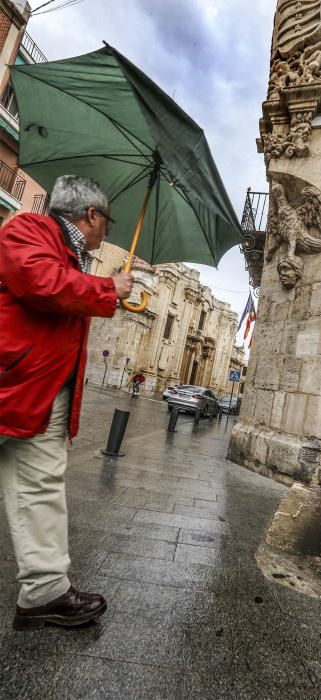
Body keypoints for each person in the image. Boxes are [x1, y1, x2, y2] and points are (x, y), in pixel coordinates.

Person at [0, 175, 134, 631]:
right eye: (107, 221)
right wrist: (106, 288)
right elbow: (40, 282)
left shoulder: (72, 255)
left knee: (39, 486)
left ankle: (44, 591)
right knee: (38, 487)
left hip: (38, 393)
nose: (107, 231)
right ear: (91, 215)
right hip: (15, 385)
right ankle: (43, 591)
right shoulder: (27, 229)